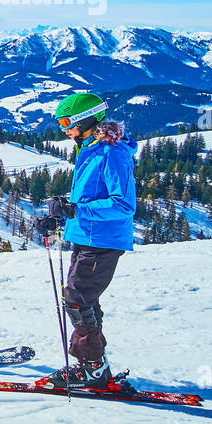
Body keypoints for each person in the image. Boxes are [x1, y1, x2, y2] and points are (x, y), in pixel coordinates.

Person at [37, 93, 137, 389]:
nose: (63, 129)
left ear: (85, 119)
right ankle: (93, 365)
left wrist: (76, 210)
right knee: (83, 300)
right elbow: (90, 196)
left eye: (66, 122)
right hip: (88, 235)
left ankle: (92, 367)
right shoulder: (89, 148)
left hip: (103, 239)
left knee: (77, 299)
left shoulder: (112, 152)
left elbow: (123, 205)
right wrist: (64, 215)